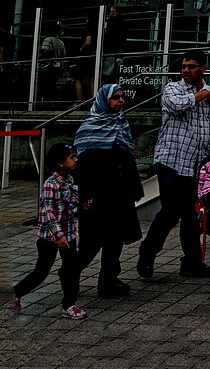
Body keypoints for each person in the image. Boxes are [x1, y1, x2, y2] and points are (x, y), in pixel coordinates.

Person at [136, 49, 210, 281]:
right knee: (171, 211)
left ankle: (192, 263)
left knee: (192, 214)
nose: (186, 71)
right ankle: (147, 253)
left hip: (197, 164)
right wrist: (201, 96)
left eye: (191, 67)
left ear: (203, 69)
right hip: (170, 160)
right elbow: (176, 105)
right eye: (183, 67)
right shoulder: (173, 89)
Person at [74, 83, 143, 301]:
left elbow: (127, 158)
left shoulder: (121, 123)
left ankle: (108, 281)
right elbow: (80, 165)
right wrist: (84, 196)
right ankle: (70, 273)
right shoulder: (88, 127)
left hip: (118, 192)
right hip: (97, 193)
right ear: (105, 100)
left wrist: (134, 187)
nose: (120, 101)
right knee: (92, 241)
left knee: (115, 239)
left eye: (122, 97)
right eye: (115, 98)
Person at [10, 142, 84, 320]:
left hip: (68, 232)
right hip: (49, 235)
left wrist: (81, 206)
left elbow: (70, 207)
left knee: (71, 269)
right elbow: (49, 214)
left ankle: (69, 304)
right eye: (72, 157)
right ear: (60, 162)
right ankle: (18, 292)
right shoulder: (50, 185)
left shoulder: (69, 180)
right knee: (41, 271)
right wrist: (58, 236)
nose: (76, 160)